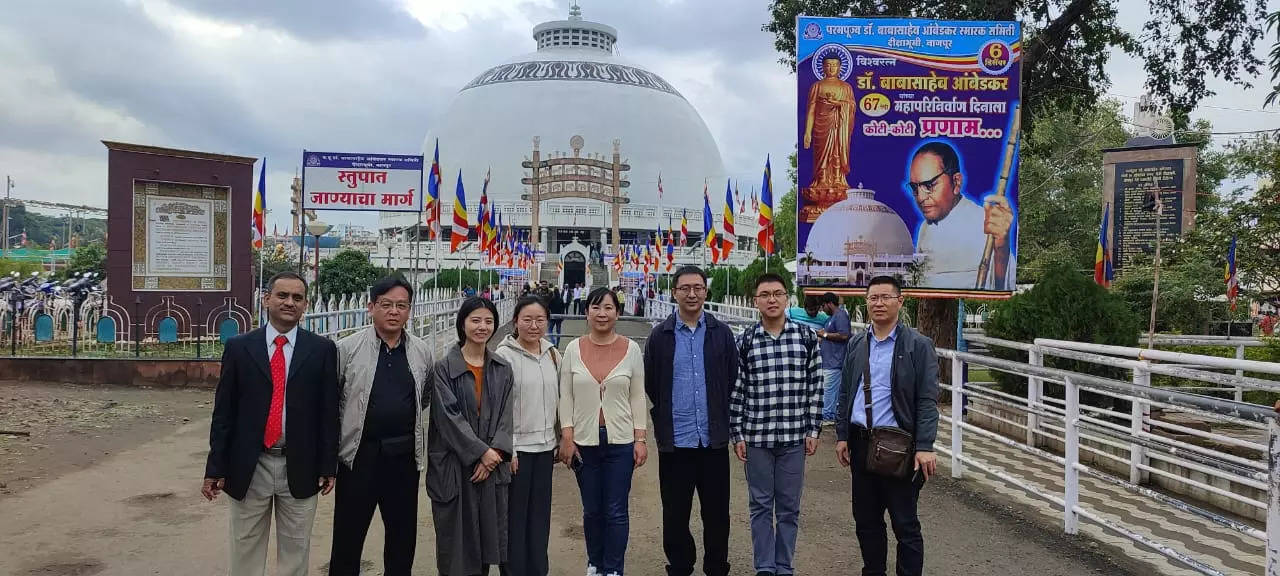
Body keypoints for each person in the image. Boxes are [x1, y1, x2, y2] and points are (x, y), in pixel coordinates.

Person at [202, 271, 338, 576]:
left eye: (297, 298)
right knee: (246, 549)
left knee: (295, 551)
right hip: (250, 464)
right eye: (282, 295)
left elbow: (328, 413)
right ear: (266, 300)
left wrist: (328, 465)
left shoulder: (322, 350)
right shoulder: (239, 348)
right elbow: (224, 413)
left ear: (306, 305)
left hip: (300, 465)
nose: (289, 302)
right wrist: (215, 468)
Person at [329, 276, 434, 576]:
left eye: (401, 305)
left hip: (402, 457)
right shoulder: (346, 349)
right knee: (348, 537)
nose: (393, 311)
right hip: (358, 456)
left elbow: (424, 395)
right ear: (370, 307)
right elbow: (334, 400)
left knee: (402, 538)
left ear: (410, 310)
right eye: (386, 304)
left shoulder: (421, 351)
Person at [836, 275, 939, 576]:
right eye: (873, 298)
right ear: (866, 302)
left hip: (899, 446)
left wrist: (925, 446)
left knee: (905, 524)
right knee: (866, 521)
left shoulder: (918, 346)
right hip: (861, 442)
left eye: (885, 297)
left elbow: (927, 399)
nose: (878, 303)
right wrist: (842, 436)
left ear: (900, 301)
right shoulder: (857, 343)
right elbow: (846, 392)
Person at [644, 265, 738, 576]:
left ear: (705, 291)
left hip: (712, 440)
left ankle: (716, 567)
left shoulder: (721, 334)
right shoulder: (661, 336)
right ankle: (681, 566)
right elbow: (652, 383)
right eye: (685, 288)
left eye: (698, 287)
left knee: (716, 514)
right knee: (675, 514)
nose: (692, 293)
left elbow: (731, 377)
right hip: (676, 442)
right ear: (674, 292)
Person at [731, 273, 823, 576]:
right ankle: (765, 567)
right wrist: (738, 433)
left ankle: (784, 566)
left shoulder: (806, 338)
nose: (772, 299)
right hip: (757, 436)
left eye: (778, 293)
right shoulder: (745, 340)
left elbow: (815, 387)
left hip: (794, 436)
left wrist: (813, 429)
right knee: (759, 505)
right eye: (765, 294)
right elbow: (738, 390)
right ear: (756, 301)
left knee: (788, 507)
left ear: (787, 298)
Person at [559, 287, 648, 576]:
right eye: (596, 308)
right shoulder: (573, 349)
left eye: (608, 308)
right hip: (584, 441)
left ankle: (613, 569)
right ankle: (595, 563)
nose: (602, 314)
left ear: (617, 313)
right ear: (586, 312)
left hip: (620, 441)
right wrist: (567, 437)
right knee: (592, 510)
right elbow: (566, 396)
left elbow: (637, 395)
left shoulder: (631, 349)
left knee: (616, 510)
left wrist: (640, 438)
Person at [427, 297, 515, 576]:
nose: (482, 327)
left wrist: (494, 455)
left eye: (488, 321)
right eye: (475, 320)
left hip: (491, 468)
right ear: (462, 324)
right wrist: (482, 452)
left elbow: (506, 417)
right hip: (455, 467)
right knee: (456, 546)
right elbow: (447, 417)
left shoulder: (502, 367)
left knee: (487, 542)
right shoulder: (443, 368)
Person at [495, 297, 561, 576]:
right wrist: (507, 449)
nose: (534, 326)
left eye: (540, 320)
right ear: (515, 322)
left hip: (545, 449)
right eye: (527, 320)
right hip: (517, 451)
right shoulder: (503, 356)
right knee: (514, 519)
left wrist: (560, 438)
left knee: (539, 518)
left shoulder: (552, 354)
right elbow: (498, 408)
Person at [908, 140, 1015, 290]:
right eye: (915, 188)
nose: (920, 197)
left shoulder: (987, 224)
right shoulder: (925, 228)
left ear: (956, 182)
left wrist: (1001, 250)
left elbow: (1003, 287)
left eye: (929, 185)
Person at [816, 292, 852, 425]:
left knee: (829, 390)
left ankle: (828, 416)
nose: (822, 309)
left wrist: (824, 334)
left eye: (823, 306)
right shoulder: (832, 318)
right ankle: (828, 414)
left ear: (829, 304)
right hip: (828, 361)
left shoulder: (841, 315)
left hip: (835, 362)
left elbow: (844, 335)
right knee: (828, 390)